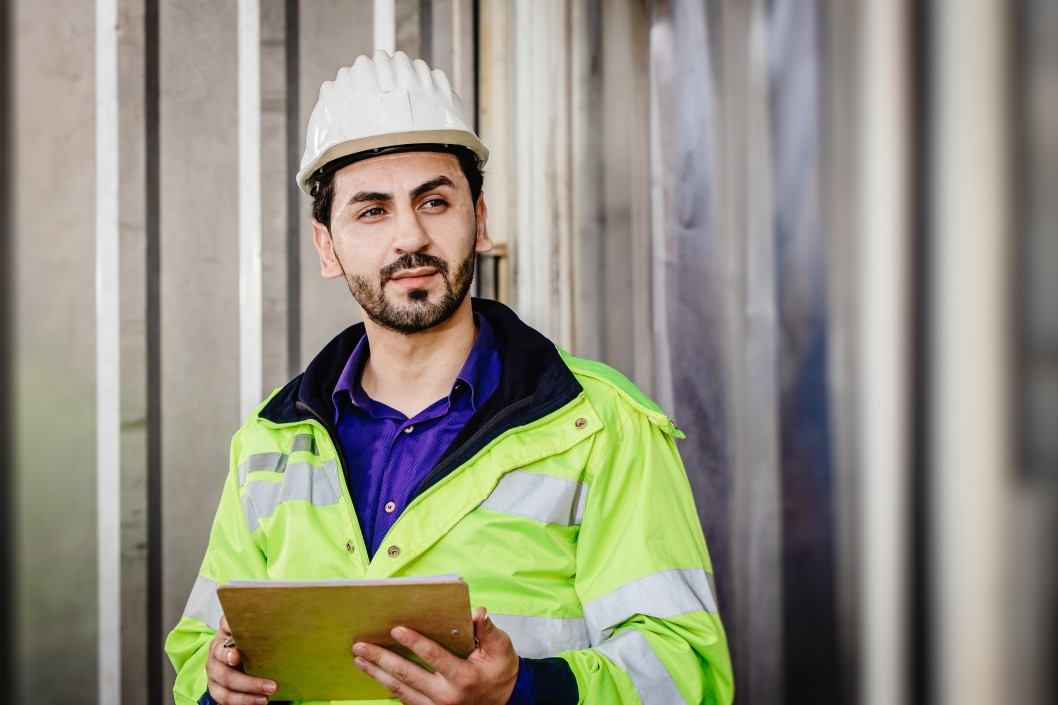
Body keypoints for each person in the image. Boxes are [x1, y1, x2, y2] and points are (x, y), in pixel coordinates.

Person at [165, 50, 733, 705]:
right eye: (372, 211)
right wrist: (218, 685)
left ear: (479, 220)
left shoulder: (600, 423)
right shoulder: (269, 441)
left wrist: (523, 689)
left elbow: (685, 669)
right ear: (327, 245)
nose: (410, 235)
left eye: (434, 200)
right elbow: (195, 652)